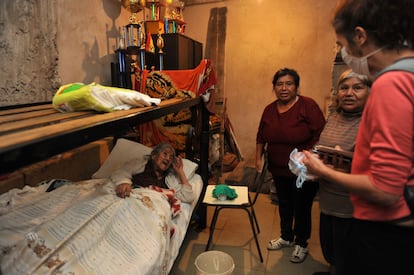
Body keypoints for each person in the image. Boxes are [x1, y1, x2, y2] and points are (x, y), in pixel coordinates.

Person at [302, 0, 414, 274]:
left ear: (360, 36)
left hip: (387, 233)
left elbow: (386, 191)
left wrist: (322, 170)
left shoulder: (391, 83)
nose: (344, 53)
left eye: (343, 44)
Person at [256, 68, 326, 263]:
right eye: (279, 84)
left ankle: (301, 243)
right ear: (274, 87)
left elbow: (321, 134)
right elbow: (261, 136)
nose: (284, 88)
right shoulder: (270, 109)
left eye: (289, 84)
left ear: (296, 86)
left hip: (302, 171)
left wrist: (310, 156)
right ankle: (286, 237)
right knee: (284, 203)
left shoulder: (307, 106)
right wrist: (258, 158)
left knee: (301, 206)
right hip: (279, 169)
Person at [313, 69, 371, 275]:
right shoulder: (336, 117)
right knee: (331, 248)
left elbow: (374, 171)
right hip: (328, 198)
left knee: (349, 255)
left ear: (370, 92)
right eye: (344, 88)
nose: (349, 93)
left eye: (357, 87)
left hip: (352, 206)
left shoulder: (372, 122)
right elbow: (321, 146)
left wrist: (330, 167)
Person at [113, 142, 194, 203]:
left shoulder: (170, 179)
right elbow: (121, 172)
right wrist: (123, 183)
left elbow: (188, 197)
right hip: (133, 200)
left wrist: (180, 171)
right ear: (154, 156)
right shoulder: (140, 165)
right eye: (165, 154)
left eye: (171, 157)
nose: (168, 159)